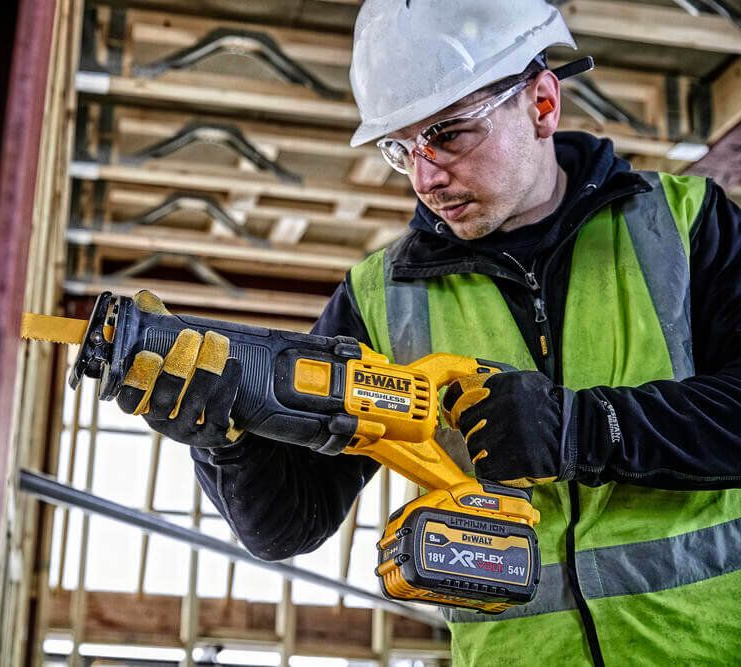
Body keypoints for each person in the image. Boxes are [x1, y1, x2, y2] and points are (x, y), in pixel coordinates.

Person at [113, 1, 741, 664]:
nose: (425, 176)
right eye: (401, 148)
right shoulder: (381, 298)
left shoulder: (683, 226)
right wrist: (225, 441)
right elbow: (291, 523)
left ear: (542, 104)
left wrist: (581, 428)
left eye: (449, 134)